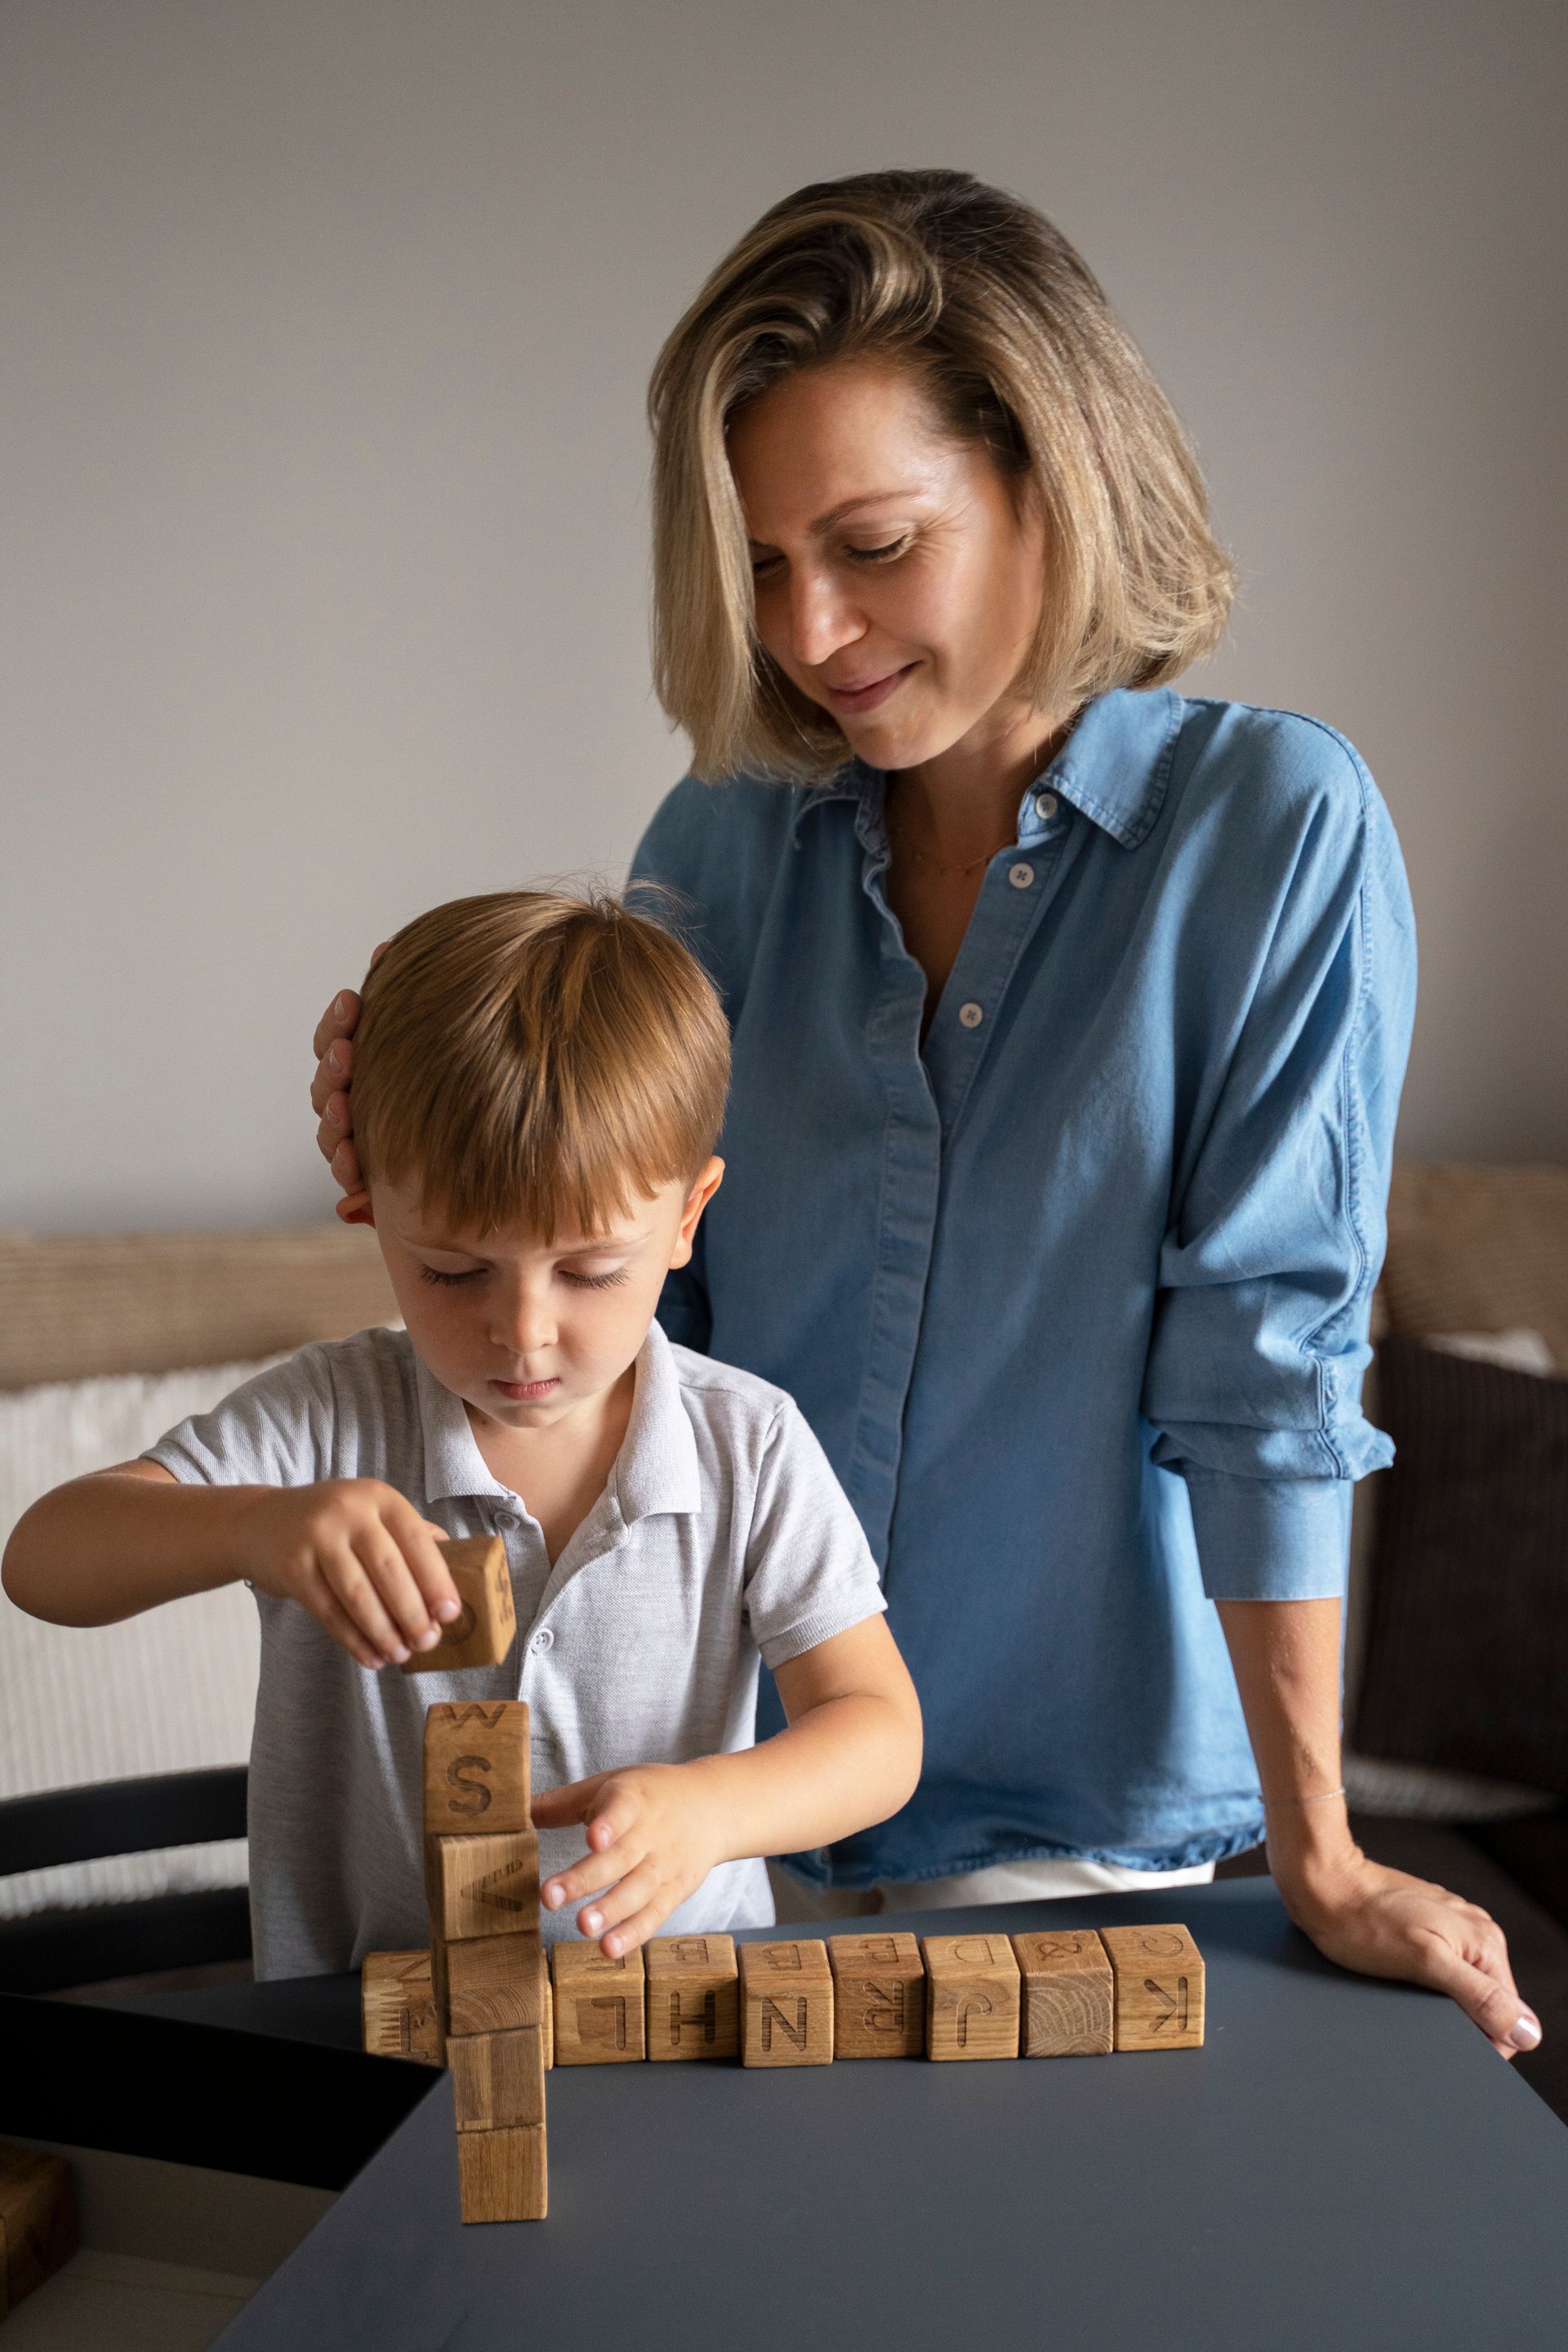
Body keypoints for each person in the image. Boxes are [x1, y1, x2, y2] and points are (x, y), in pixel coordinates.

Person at [310, 172, 1539, 2056]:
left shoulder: (1272, 836)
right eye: (765, 563)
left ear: (1051, 478)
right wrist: (428, 1143)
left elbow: (1267, 1368)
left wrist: (1325, 1856)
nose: (809, 630)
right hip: (715, 1815)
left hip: (1078, 1835)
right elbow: (642, 1321)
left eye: (873, 545)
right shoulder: (715, 848)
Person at [3, 890, 922, 1977]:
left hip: (677, 2034)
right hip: (366, 2038)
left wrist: (714, 1811)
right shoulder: (329, 1421)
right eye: (452, 1270)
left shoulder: (750, 1448)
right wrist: (253, 1529)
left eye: (588, 1271)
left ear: (686, 1217)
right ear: (369, 1211)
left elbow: (877, 1732)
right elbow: (43, 1558)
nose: (522, 1333)